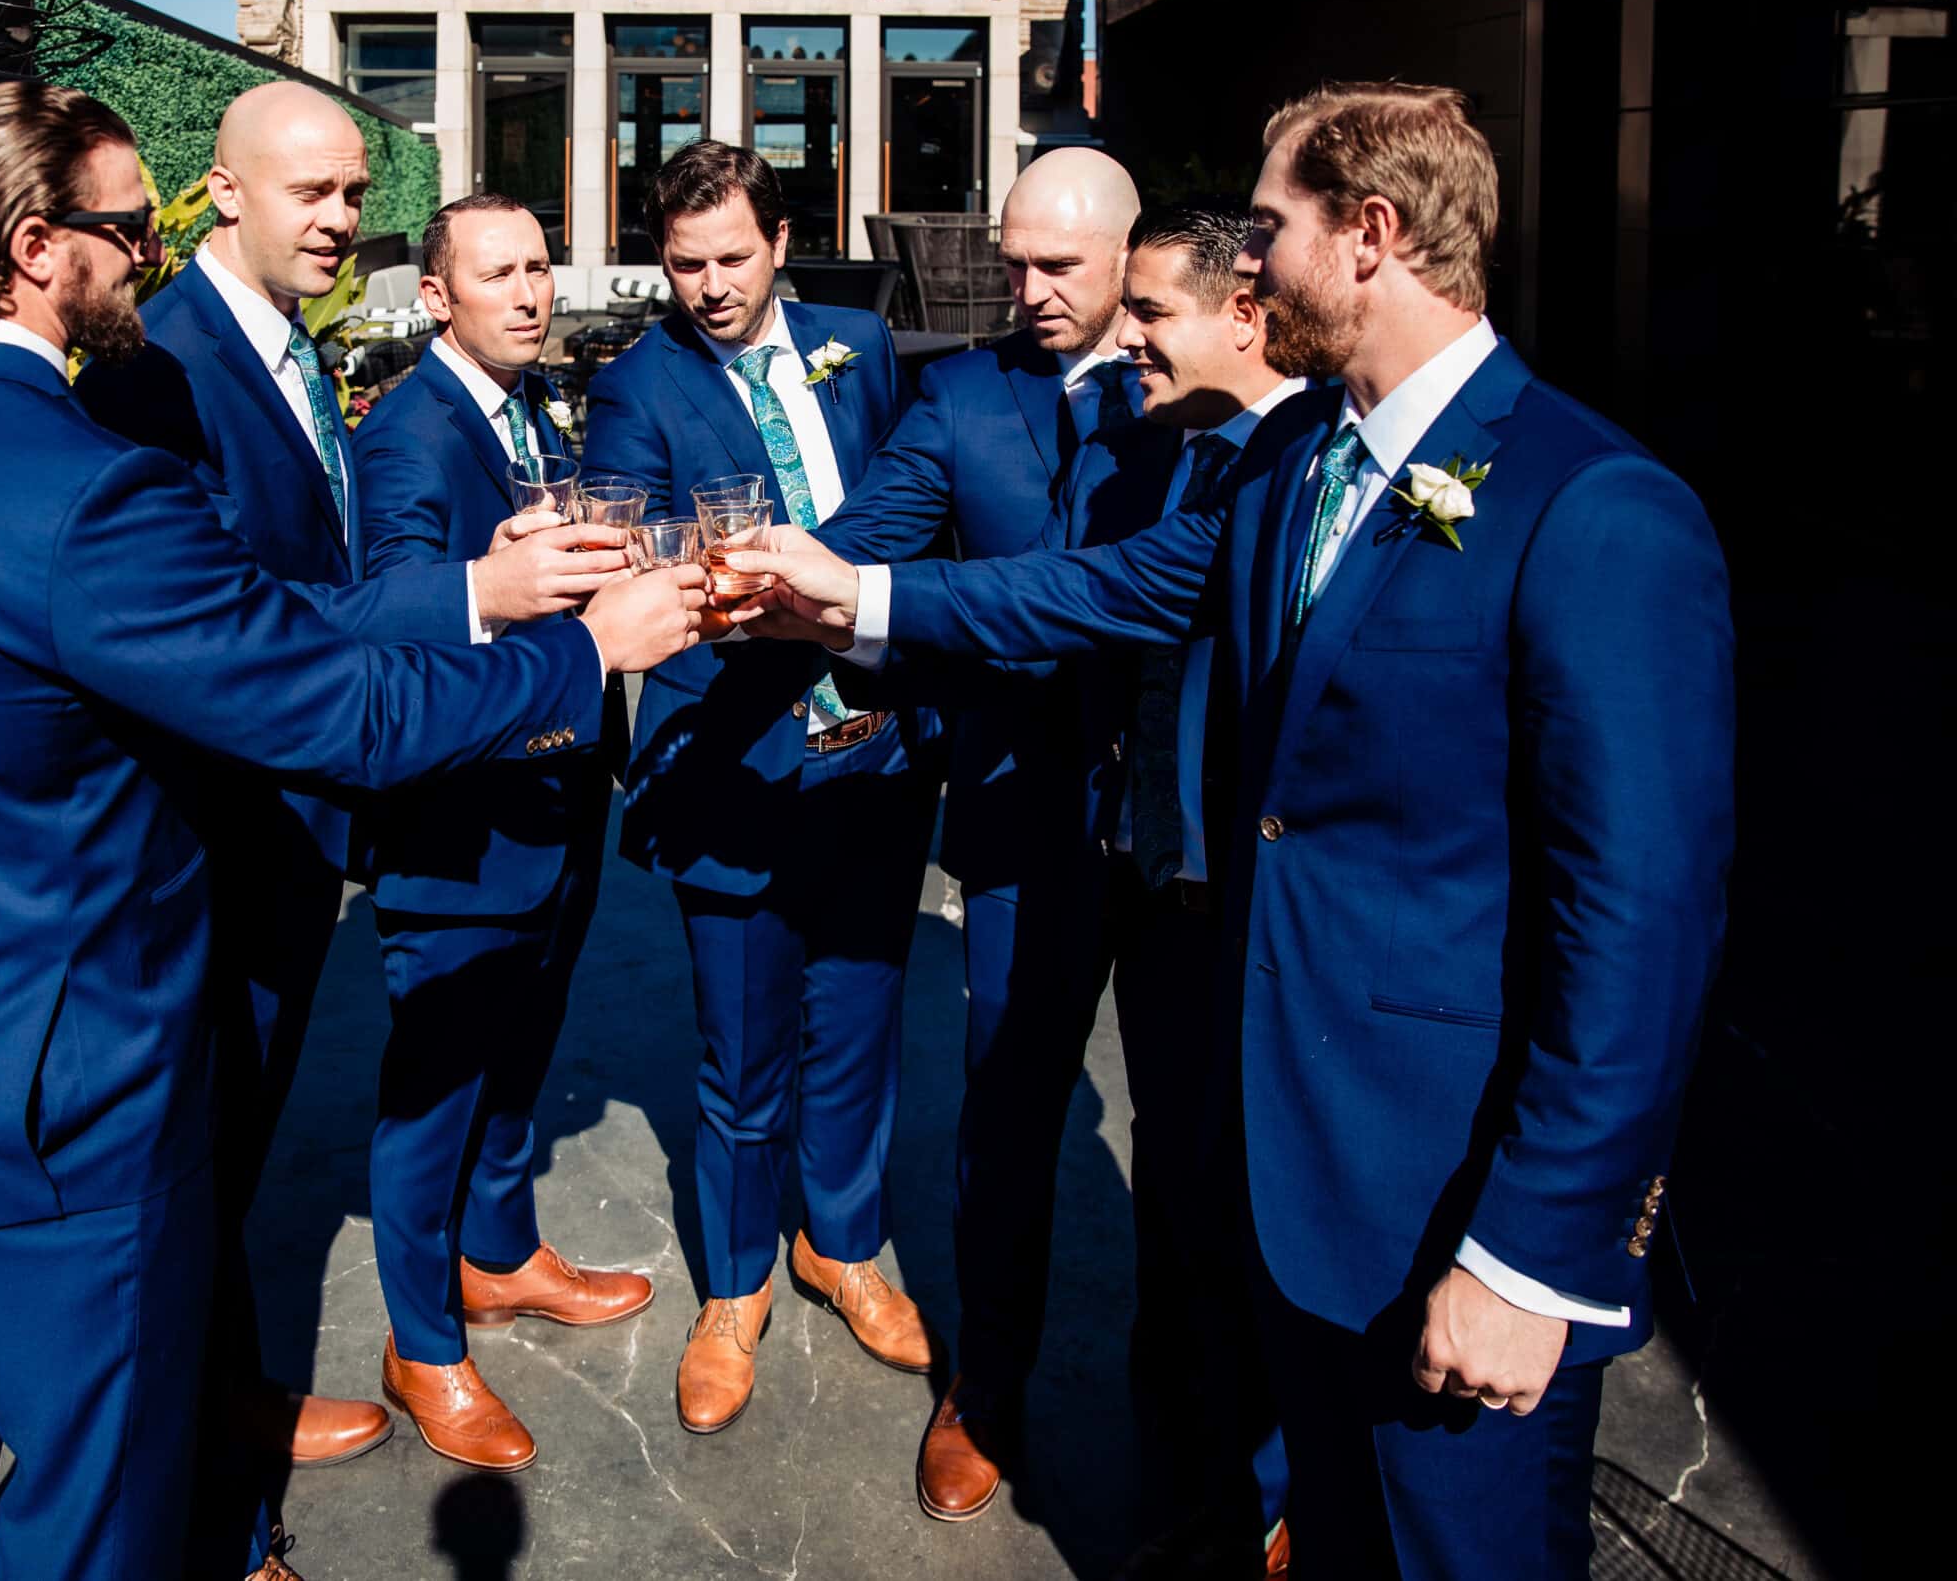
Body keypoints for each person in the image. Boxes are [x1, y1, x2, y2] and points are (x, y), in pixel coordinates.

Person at [732, 82, 1734, 1580]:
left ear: (1373, 236)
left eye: (1269, 230)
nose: (1245, 267)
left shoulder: (1594, 508)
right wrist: (863, 596)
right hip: (1293, 1173)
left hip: (1458, 1205)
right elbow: (1100, 590)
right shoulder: (1293, 459)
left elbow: (1641, 926)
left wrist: (1537, 1250)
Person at [0, 82, 702, 1581]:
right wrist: (589, 653)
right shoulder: (88, 487)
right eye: (133, 228)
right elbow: (341, 713)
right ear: (37, 244)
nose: (152, 253)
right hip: (79, 1075)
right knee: (97, 1491)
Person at [75, 84, 614, 1489]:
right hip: (216, 823)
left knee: (229, 1144)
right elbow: (238, 621)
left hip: (301, 810)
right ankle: (204, 1457)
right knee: (198, 1158)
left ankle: (230, 1387)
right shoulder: (159, 364)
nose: (338, 216)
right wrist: (478, 589)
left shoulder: (290, 350)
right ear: (223, 191)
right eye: (309, 190)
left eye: (354, 190)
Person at [810, 147, 1152, 1523]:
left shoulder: (1221, 392)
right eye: (1015, 259)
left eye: (1060, 265)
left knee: (1200, 1149)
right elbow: (853, 555)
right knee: (1004, 1122)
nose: (1028, 289)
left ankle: (1221, 1428)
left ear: (1133, 254)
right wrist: (746, 574)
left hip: (1194, 843)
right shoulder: (957, 395)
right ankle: (986, 1385)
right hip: (1020, 819)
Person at [578, 139, 939, 1438]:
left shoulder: (861, 343)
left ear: (783, 242)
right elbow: (624, 543)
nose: (713, 286)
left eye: (734, 256)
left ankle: (842, 1243)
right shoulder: (638, 384)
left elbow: (917, 502)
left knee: (859, 1021)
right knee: (744, 1056)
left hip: (880, 750)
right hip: (733, 760)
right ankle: (734, 1286)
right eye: (686, 265)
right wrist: (674, 585)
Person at [343, 193, 654, 1470]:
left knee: (521, 1052)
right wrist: (495, 572)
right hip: (458, 827)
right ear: (436, 298)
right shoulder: (410, 434)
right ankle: (421, 1348)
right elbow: (376, 609)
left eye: (538, 268)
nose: (530, 294)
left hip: (549, 794)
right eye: (499, 275)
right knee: (433, 1093)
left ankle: (501, 1255)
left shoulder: (523, 407)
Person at [1069, 200, 1302, 1575]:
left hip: (1247, 911)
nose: (1125, 333)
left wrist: (861, 596)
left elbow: (1094, 596)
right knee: (1174, 1175)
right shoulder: (1171, 447)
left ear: (1245, 314)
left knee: (1247, 1206)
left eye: (1149, 310)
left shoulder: (1286, 464)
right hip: (1157, 879)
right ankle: (1190, 1455)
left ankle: (1263, 1489)